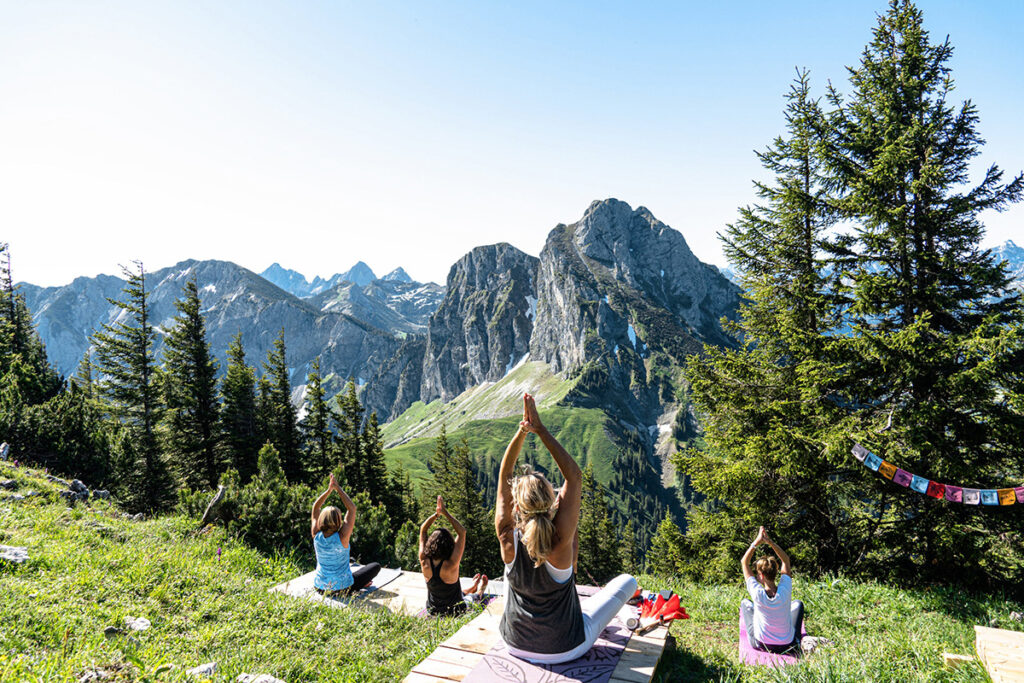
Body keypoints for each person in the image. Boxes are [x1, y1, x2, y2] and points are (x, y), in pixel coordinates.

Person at [495, 393, 637, 664]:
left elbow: (505, 474)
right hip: (565, 649)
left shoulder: (506, 535)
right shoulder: (561, 539)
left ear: (516, 507)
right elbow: (574, 475)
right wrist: (539, 429)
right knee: (627, 582)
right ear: (551, 501)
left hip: (513, 643)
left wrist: (521, 432)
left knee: (509, 571)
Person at [310, 473, 380, 596]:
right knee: (375, 566)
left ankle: (358, 583)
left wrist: (328, 491)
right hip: (343, 589)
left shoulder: (316, 534)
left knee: (352, 564)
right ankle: (359, 585)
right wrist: (337, 488)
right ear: (338, 521)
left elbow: (315, 508)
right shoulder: (342, 537)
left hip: (320, 587)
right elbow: (352, 508)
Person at [419, 494, 489, 615]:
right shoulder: (451, 563)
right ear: (449, 544)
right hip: (455, 611)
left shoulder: (424, 560)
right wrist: (445, 512)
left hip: (433, 610)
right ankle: (479, 591)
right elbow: (462, 532)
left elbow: (423, 530)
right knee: (472, 599)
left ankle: (472, 587)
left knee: (453, 593)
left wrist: (436, 515)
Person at [741, 526, 804, 653]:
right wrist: (770, 542)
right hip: (788, 644)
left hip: (761, 644)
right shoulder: (785, 589)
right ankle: (797, 640)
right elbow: (785, 560)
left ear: (762, 576)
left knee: (745, 603)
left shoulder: (757, 593)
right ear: (776, 572)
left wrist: (757, 542)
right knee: (798, 604)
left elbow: (744, 562)